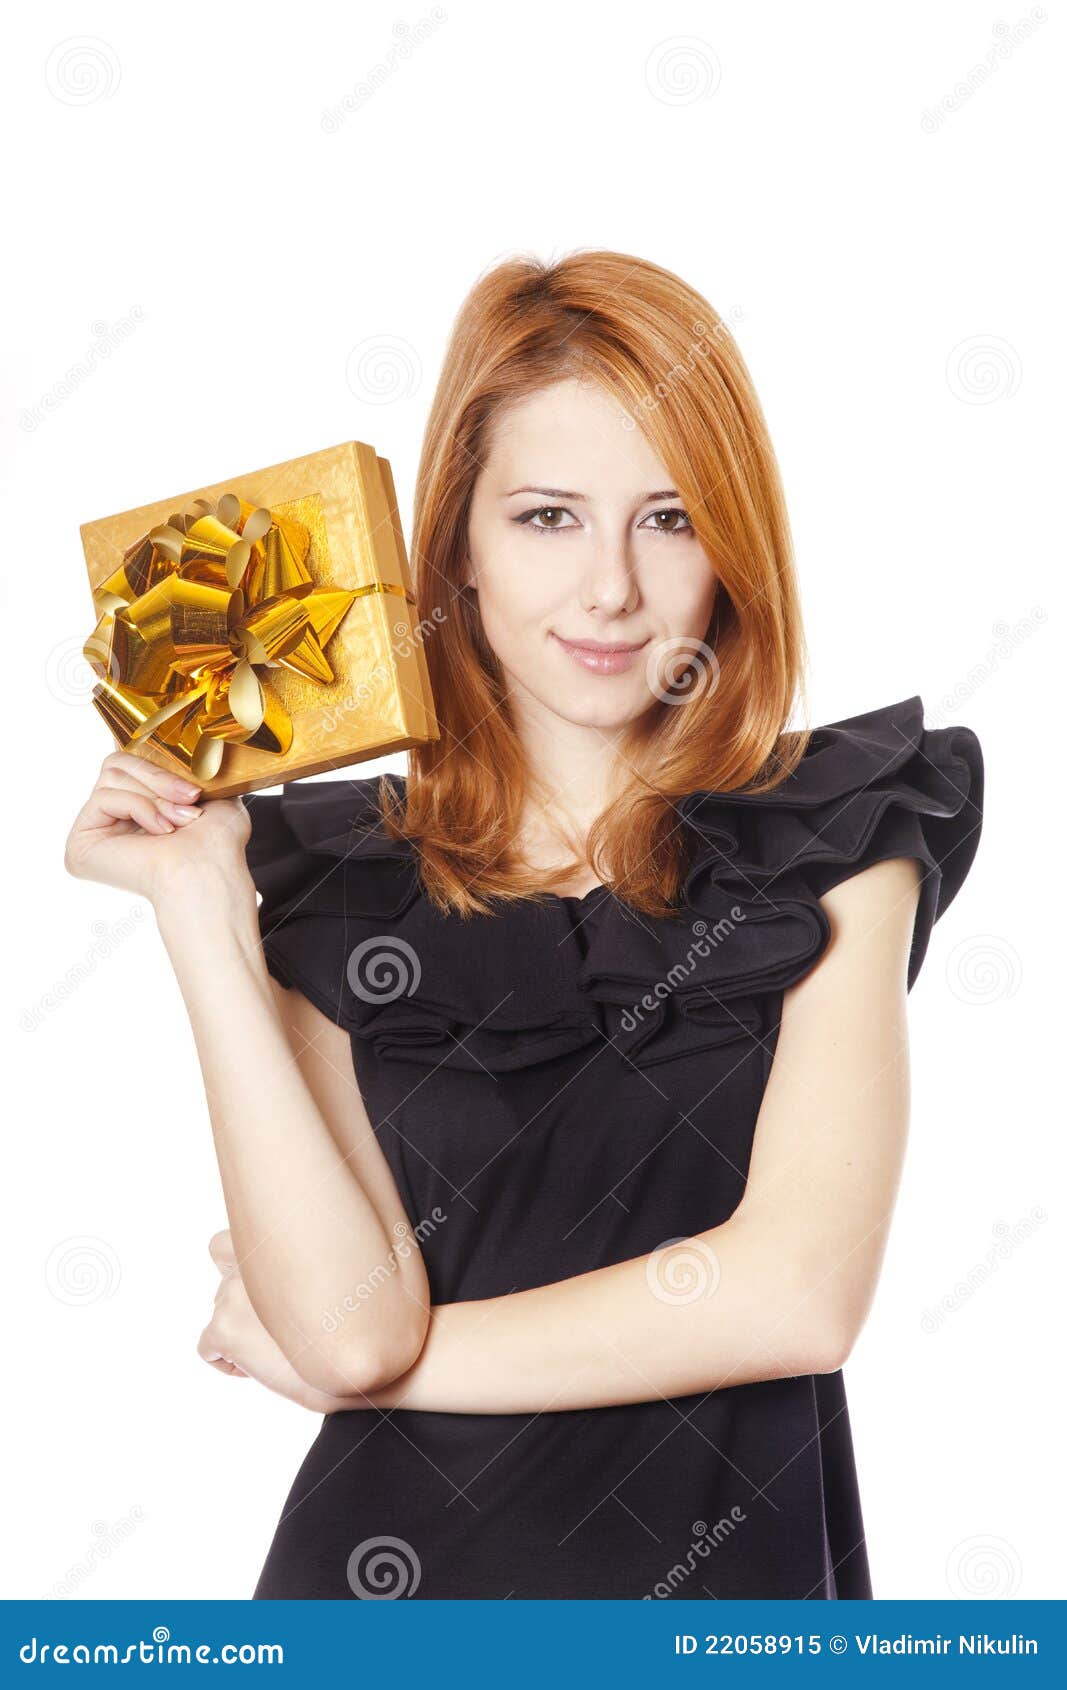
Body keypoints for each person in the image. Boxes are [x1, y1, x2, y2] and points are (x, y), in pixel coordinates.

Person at [64, 250, 984, 1600]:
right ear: (459, 553)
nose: (611, 587)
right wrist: (206, 903)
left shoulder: (840, 829)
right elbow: (347, 1320)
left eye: (670, 519)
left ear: (734, 545)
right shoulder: (334, 875)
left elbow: (798, 1293)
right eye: (549, 517)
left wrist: (383, 1362)